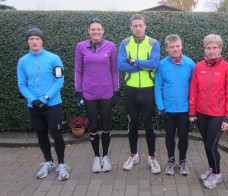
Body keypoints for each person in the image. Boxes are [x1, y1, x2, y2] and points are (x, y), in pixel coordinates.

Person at [17, 27, 70, 181]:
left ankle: (61, 164)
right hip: (33, 106)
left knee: (56, 133)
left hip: (52, 104)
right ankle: (48, 162)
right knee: (41, 134)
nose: (34, 41)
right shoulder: (22, 61)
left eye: (37, 39)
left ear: (42, 41)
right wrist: (33, 100)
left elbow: (59, 80)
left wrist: (45, 98)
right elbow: (22, 84)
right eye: (31, 39)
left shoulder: (54, 58)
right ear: (28, 42)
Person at [189, 34, 228, 189]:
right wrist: (192, 112)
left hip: (218, 115)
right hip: (201, 113)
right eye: (208, 47)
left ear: (220, 49)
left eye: (214, 47)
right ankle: (211, 167)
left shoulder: (227, 68)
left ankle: (217, 175)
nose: (211, 51)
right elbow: (194, 91)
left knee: (211, 145)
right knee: (208, 145)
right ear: (205, 49)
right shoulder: (198, 67)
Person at [74, 18, 119, 173]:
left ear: (103, 30)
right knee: (93, 127)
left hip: (106, 93)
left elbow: (114, 70)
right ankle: (96, 157)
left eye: (98, 29)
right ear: (89, 31)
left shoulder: (111, 46)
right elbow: (78, 70)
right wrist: (78, 92)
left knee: (106, 126)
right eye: (93, 29)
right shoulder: (81, 46)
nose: (96, 32)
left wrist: (116, 91)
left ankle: (105, 157)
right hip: (89, 93)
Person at [118, 14, 161, 174]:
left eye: (140, 25)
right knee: (132, 124)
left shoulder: (153, 43)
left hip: (148, 90)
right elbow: (121, 66)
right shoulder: (124, 43)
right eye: (135, 26)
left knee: (149, 126)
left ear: (145, 26)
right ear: (131, 27)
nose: (138, 28)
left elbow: (154, 64)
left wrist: (134, 61)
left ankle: (152, 157)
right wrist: (142, 65)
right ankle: (133, 155)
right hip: (131, 90)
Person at [154, 34, 195, 176]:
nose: (175, 49)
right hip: (168, 110)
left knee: (183, 138)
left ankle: (182, 161)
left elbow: (195, 87)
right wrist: (160, 107)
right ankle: (171, 161)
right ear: (166, 49)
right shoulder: (162, 64)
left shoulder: (190, 63)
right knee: (169, 136)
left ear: (181, 46)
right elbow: (158, 86)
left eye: (177, 46)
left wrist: (193, 108)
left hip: (185, 109)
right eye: (172, 47)